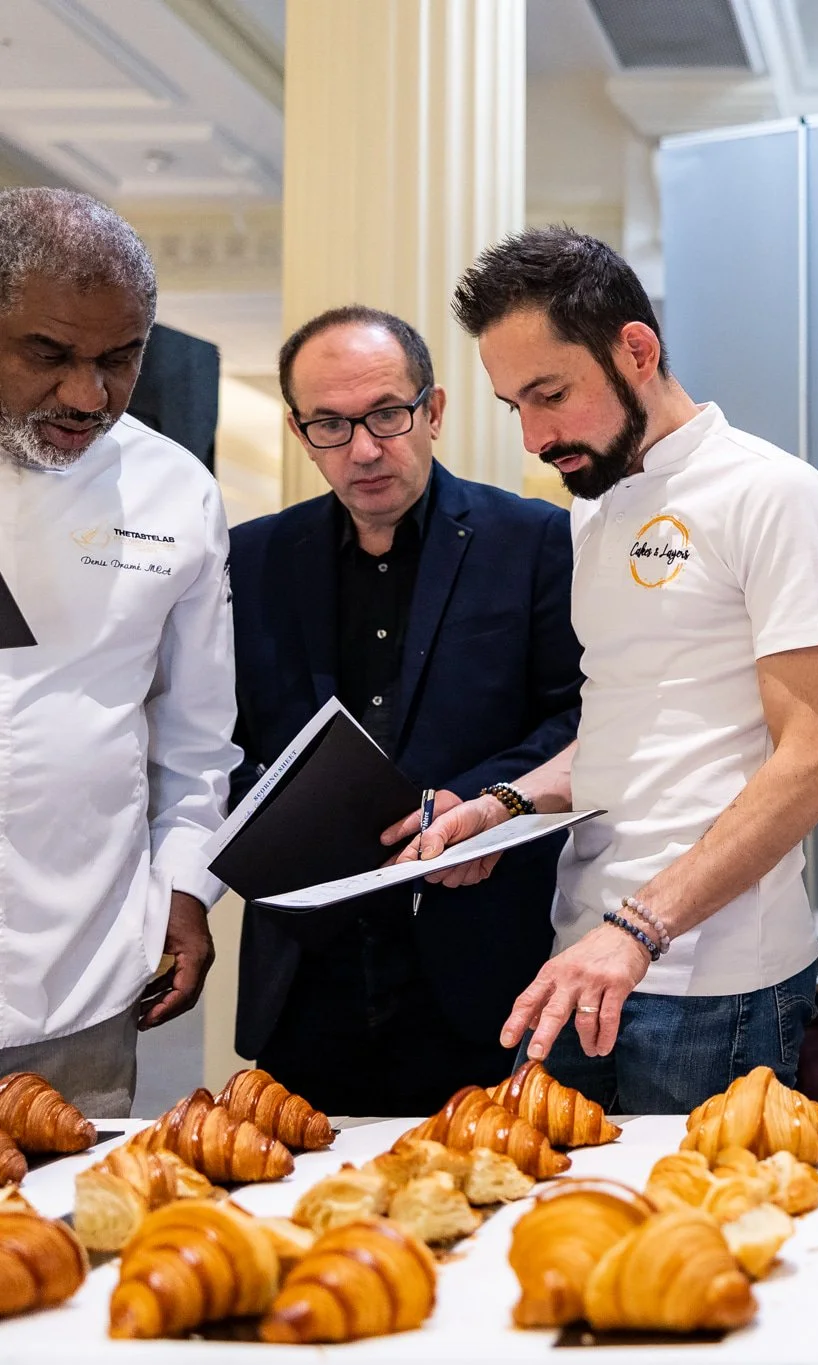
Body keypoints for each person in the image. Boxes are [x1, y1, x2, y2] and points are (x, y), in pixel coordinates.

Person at [399, 228, 818, 1113]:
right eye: (513, 406)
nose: (534, 435)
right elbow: (626, 731)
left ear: (636, 350)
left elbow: (816, 759)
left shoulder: (773, 493)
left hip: (714, 980)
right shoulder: (593, 514)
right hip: (583, 955)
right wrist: (504, 805)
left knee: (704, 1242)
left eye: (551, 394)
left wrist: (641, 927)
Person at [227, 306, 583, 1115]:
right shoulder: (248, 560)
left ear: (435, 410)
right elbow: (211, 744)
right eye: (329, 424)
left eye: (386, 414)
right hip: (306, 977)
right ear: (296, 429)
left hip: (482, 967)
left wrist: (486, 800)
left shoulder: (537, 543)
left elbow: (581, 718)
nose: (362, 447)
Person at [0, 189, 237, 1115]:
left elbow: (196, 741)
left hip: (84, 978)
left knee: (74, 1249)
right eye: (48, 355)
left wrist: (185, 887)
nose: (85, 395)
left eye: (119, 358)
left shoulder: (175, 492)